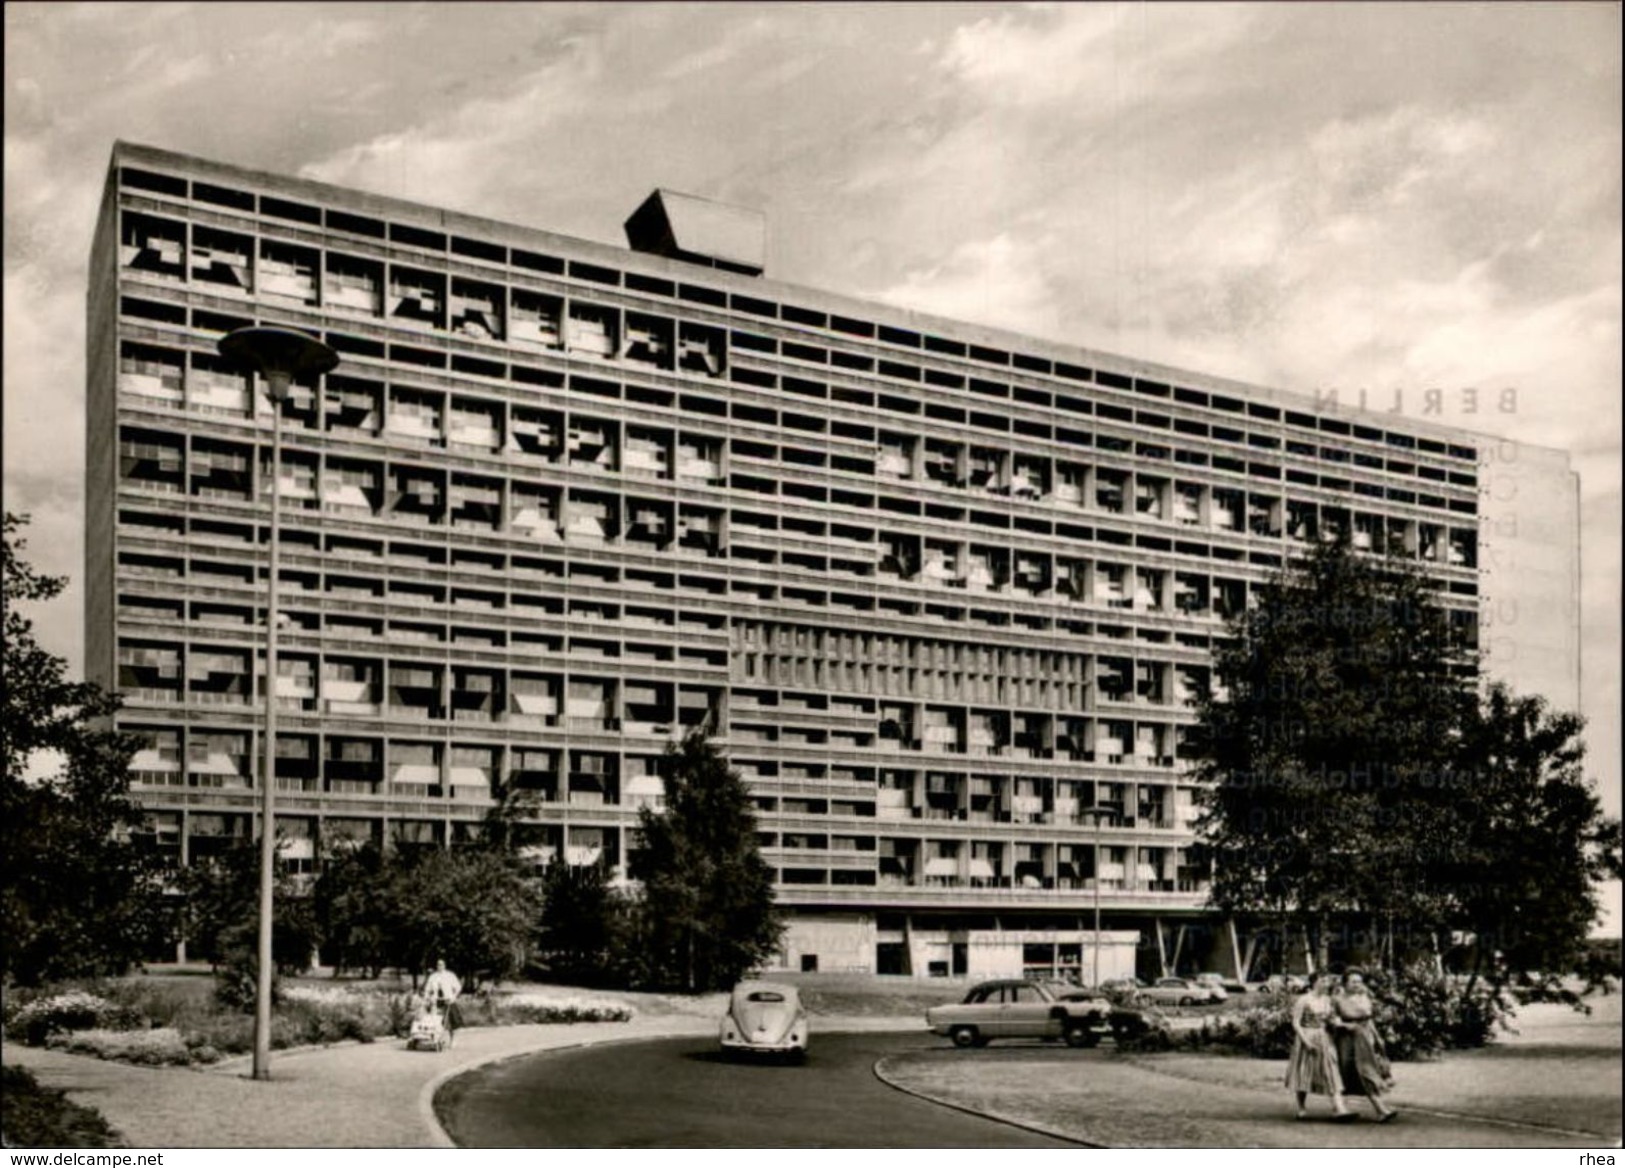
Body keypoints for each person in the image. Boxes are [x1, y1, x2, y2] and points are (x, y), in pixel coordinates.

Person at [1285, 971, 1354, 1121]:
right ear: (1314, 982)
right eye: (1323, 981)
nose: (1326, 983)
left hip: (1324, 1037)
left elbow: (1331, 1018)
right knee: (1304, 1072)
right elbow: (1296, 1022)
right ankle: (1302, 1108)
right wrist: (1306, 1041)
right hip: (1307, 1036)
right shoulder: (1304, 999)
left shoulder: (1327, 1000)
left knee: (1331, 1070)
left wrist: (1337, 1023)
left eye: (1327, 981)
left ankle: (1339, 1108)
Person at [1331, 969, 1397, 1122]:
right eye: (1353, 982)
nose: (1357, 985)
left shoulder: (1364, 997)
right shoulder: (1337, 999)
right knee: (1346, 1070)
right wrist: (1346, 1026)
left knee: (1367, 1069)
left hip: (1365, 1037)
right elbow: (1332, 1019)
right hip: (1347, 1039)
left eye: (1359, 981)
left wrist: (1377, 1037)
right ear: (1345, 983)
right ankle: (1339, 1108)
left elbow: (1369, 1016)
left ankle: (1381, 1109)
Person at [422, 959, 464, 1033]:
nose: (440, 966)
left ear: (445, 965)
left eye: (441, 964)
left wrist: (453, 996)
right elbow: (427, 989)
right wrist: (427, 998)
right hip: (436, 1001)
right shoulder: (433, 977)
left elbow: (458, 987)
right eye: (438, 965)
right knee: (435, 1019)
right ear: (436, 966)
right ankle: (437, 1036)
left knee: (451, 1021)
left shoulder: (450, 975)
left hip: (448, 1000)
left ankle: (452, 1036)